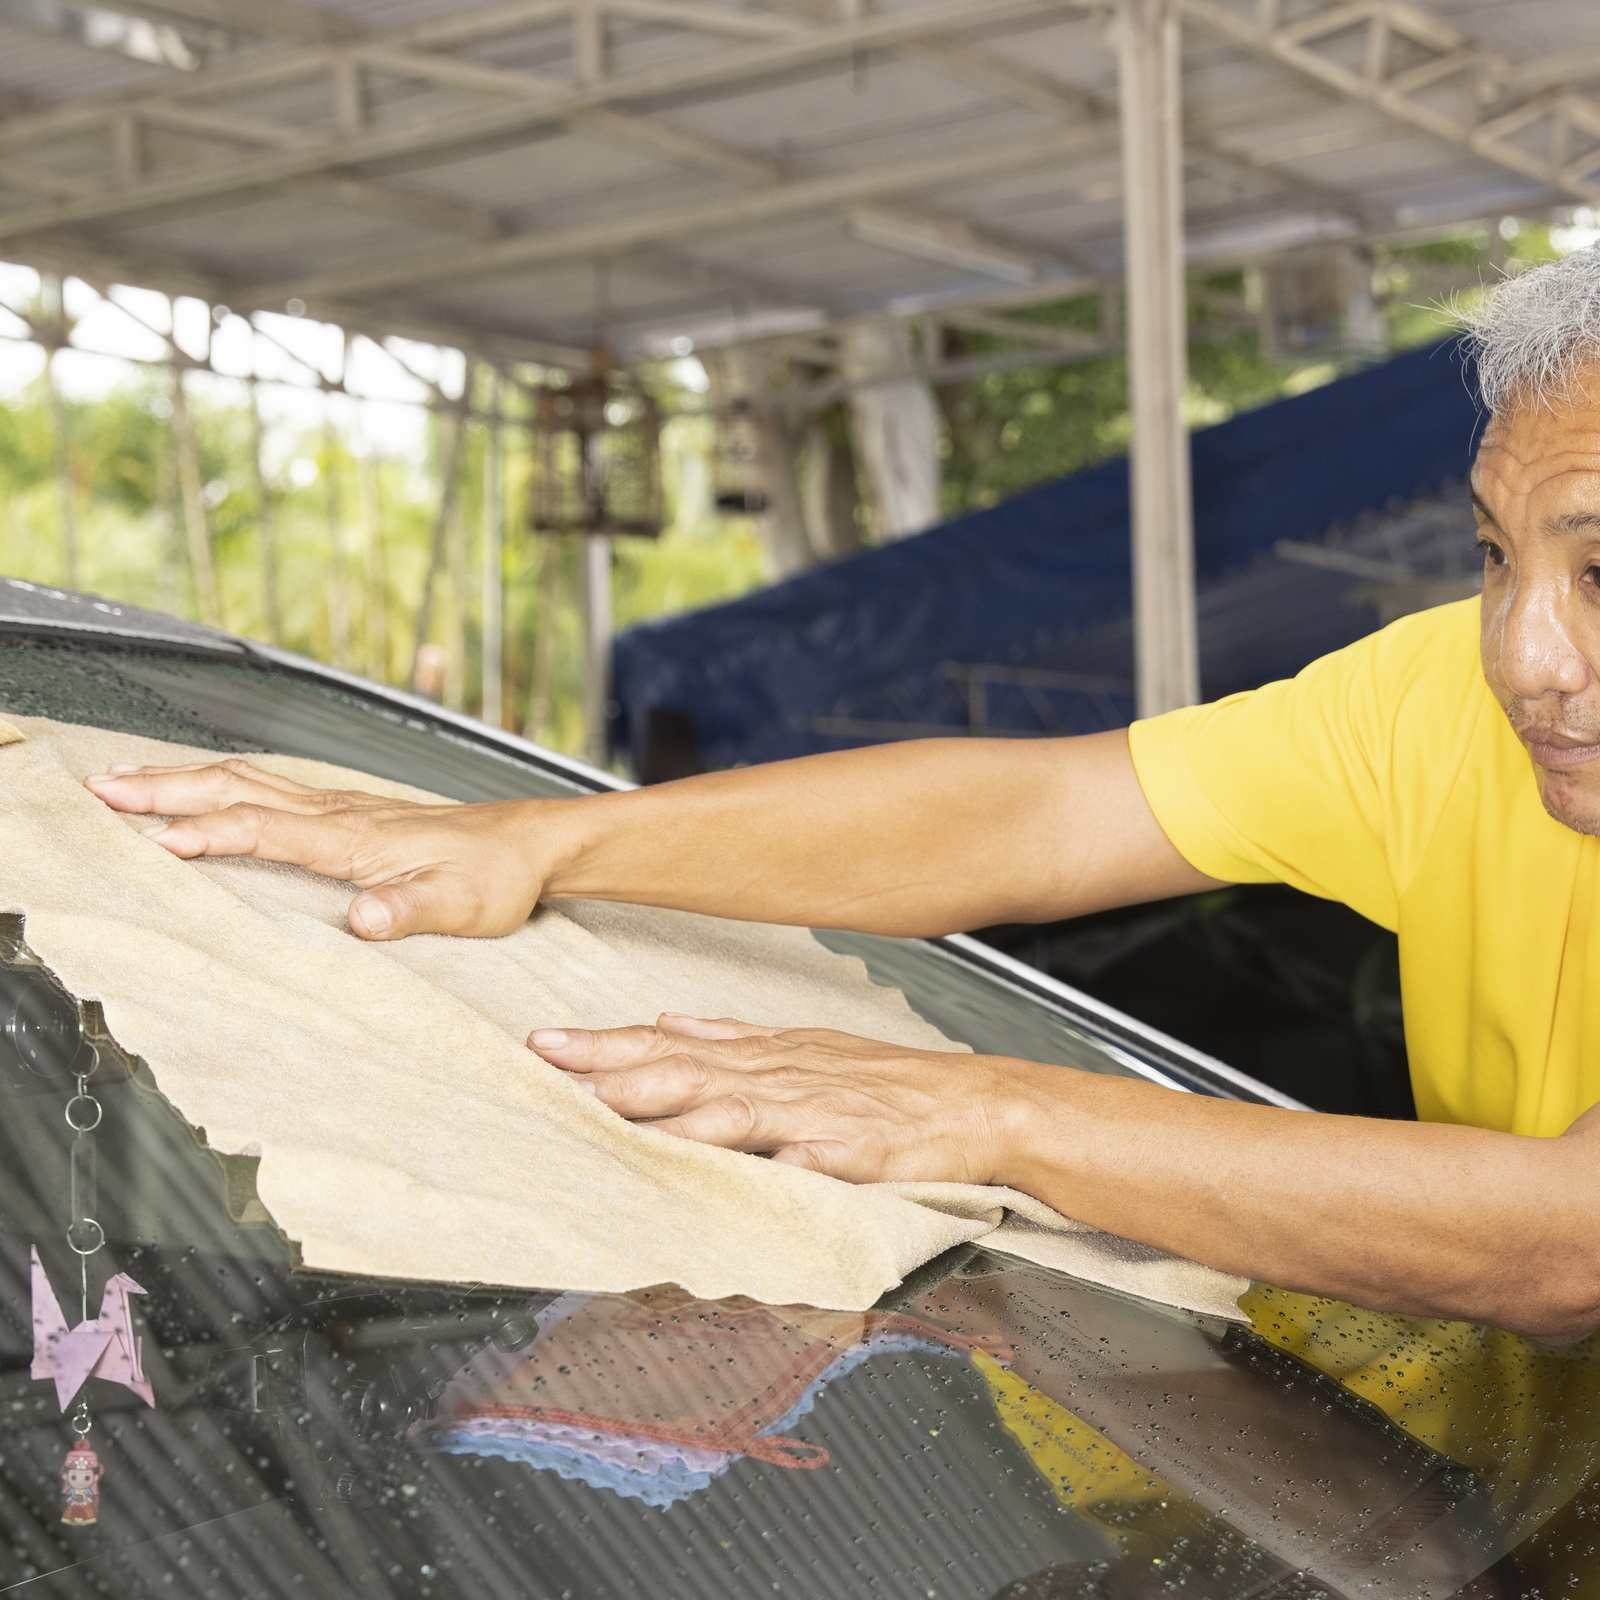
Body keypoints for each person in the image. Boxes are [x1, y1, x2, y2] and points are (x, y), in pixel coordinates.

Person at [83, 248, 1600, 1347]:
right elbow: (1043, 817)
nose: (1525, 655)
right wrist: (541, 838)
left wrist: (994, 1113)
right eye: (1490, 557)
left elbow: (1568, 1241)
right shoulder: (1430, 696)